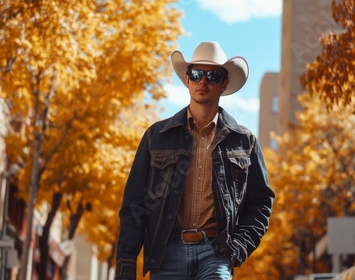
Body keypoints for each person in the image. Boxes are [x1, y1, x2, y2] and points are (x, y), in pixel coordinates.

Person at [115, 41, 274, 280]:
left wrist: (237, 249)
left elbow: (261, 203)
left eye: (212, 76)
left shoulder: (244, 142)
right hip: (166, 253)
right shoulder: (156, 137)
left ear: (224, 84)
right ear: (187, 80)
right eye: (197, 74)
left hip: (216, 253)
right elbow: (134, 205)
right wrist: (126, 264)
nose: (203, 81)